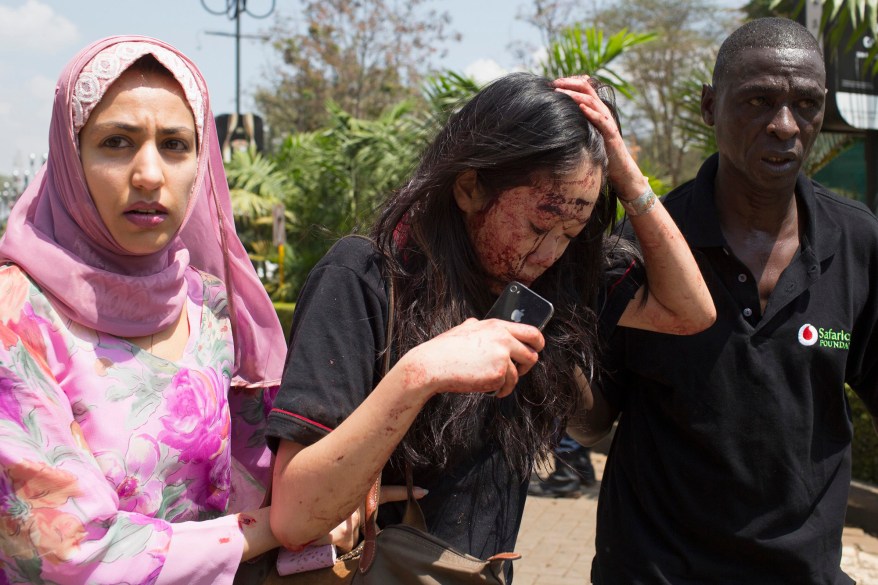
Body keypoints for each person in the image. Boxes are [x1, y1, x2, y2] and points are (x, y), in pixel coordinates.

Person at [265, 71, 715, 581]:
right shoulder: (368, 277)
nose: (549, 252)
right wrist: (418, 374)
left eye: (571, 231)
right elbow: (294, 514)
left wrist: (628, 176)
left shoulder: (558, 285)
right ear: (469, 188)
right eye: (536, 227)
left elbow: (691, 311)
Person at [0, 35, 341, 584]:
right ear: (69, 158)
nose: (150, 175)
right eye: (116, 141)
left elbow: (251, 476)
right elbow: (65, 555)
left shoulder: (209, 307)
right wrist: (277, 525)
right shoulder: (16, 319)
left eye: (177, 145)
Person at [570, 17, 878, 584]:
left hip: (804, 573)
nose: (785, 126)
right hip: (654, 570)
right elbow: (592, 424)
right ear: (711, 106)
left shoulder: (856, 242)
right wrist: (550, 352)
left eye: (805, 104)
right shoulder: (636, 249)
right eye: (758, 100)